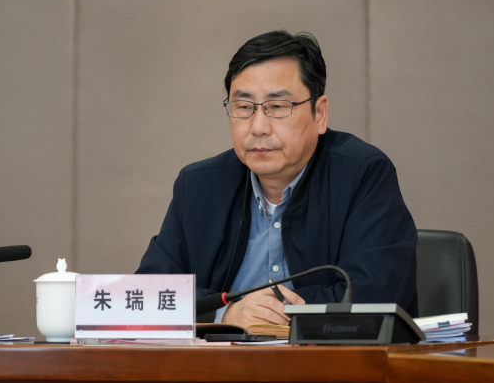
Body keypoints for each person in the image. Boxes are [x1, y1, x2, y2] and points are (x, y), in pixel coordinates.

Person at [136, 30, 417, 328]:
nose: (258, 127)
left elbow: (376, 297)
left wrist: (276, 313)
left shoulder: (362, 175)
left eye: (278, 107)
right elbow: (146, 296)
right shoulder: (199, 187)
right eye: (244, 107)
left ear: (320, 114)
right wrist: (226, 315)